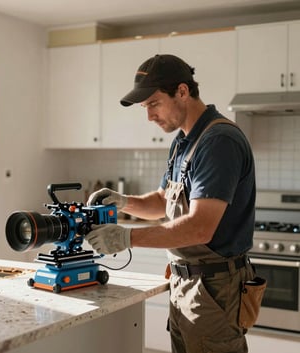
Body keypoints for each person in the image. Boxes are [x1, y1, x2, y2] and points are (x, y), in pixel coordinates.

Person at [85, 54, 257, 353]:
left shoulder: (218, 141)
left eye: (153, 103)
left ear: (182, 91)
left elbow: (200, 227)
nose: (149, 116)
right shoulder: (184, 140)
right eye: (145, 107)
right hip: (187, 283)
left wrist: (126, 237)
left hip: (214, 289)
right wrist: (123, 202)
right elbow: (163, 201)